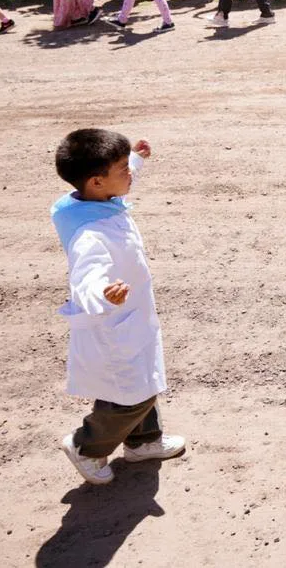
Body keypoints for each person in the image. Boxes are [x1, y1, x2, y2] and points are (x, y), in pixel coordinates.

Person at [51, 130, 187, 487]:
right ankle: (86, 446)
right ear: (97, 180)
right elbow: (86, 277)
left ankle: (143, 442)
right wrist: (102, 293)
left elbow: (120, 180)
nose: (130, 173)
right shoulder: (90, 233)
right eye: (124, 168)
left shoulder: (93, 199)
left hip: (131, 317)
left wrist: (137, 158)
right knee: (130, 396)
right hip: (113, 322)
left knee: (143, 382)